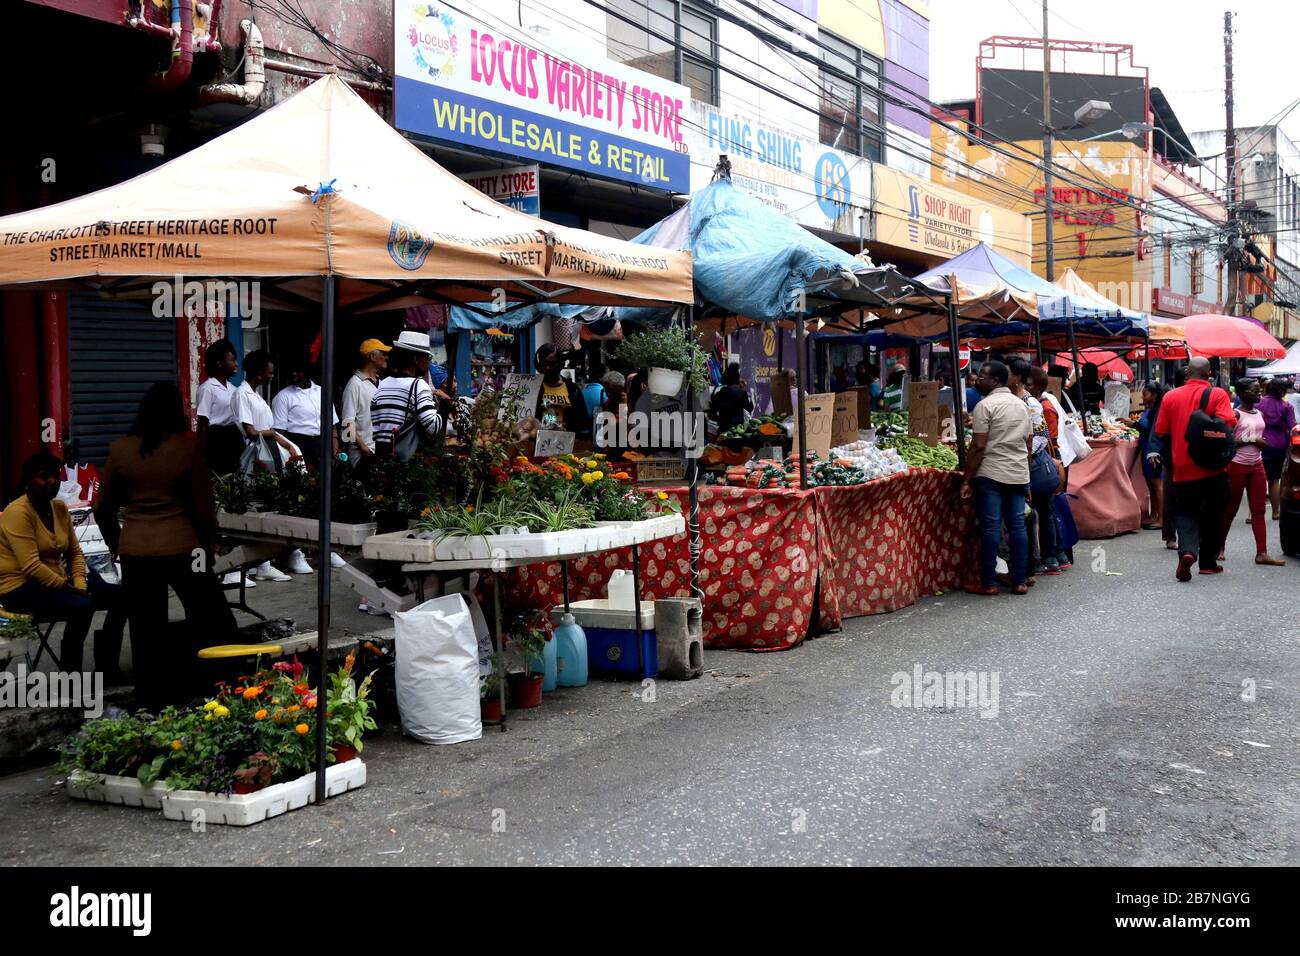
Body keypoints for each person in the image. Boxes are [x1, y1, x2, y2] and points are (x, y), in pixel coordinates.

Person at [95, 383, 238, 708]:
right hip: (183, 547)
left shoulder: (121, 450)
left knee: (146, 628)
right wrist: (209, 545)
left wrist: (116, 543)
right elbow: (202, 507)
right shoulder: (186, 450)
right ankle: (214, 686)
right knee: (210, 618)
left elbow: (103, 507)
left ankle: (152, 700)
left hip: (136, 550)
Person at [0, 452, 127, 678]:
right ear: (29, 481)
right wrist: (71, 589)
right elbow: (31, 566)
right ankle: (71, 673)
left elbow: (75, 553)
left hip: (60, 583)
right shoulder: (17, 512)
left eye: (55, 476)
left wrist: (79, 582)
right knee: (81, 607)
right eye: (44, 477)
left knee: (123, 597)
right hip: (19, 587)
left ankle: (107, 664)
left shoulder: (58, 508)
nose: (52, 482)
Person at [1150, 356, 1236, 581]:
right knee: (1213, 514)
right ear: (1209, 374)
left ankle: (1187, 552)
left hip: (1183, 468)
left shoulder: (1170, 396)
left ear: (1188, 372)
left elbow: (1161, 431)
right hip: (1214, 468)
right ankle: (1208, 563)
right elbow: (1227, 423)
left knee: (1186, 513)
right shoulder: (1218, 394)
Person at [961, 361, 1033, 595]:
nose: (978, 380)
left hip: (991, 473)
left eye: (982, 376)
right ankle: (1020, 580)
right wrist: (1027, 474)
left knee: (990, 527)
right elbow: (1028, 443)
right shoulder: (1021, 405)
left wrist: (967, 478)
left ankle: (989, 583)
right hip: (1017, 472)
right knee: (1016, 525)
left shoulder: (985, 406)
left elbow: (978, 446)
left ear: (996, 381)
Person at [233, 351, 298, 583]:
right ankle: (258, 564)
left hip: (267, 452)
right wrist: (274, 434)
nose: (272, 377)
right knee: (258, 507)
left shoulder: (256, 396)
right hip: (256, 455)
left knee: (267, 505)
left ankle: (263, 563)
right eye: (269, 373)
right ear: (260, 374)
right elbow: (251, 432)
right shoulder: (242, 395)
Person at [1220, 378, 1286, 566]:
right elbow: (1227, 441)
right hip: (1237, 465)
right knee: (1230, 509)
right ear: (1242, 394)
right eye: (1256, 391)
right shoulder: (1235, 414)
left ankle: (1262, 553)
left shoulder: (1259, 412)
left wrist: (1261, 442)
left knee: (1258, 510)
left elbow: (1258, 434)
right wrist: (1251, 441)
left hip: (1257, 465)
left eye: (1260, 390)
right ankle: (1219, 547)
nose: (1260, 394)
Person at [1010, 359, 1060, 576]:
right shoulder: (1015, 401)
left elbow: (1041, 437)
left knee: (1037, 512)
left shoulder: (1032, 404)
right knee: (1040, 511)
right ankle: (1050, 556)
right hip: (1029, 464)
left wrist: (1022, 453)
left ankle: (1046, 558)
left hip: (1035, 467)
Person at [371, 330, 445, 457]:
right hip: (404, 463)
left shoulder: (382, 384)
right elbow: (433, 427)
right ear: (416, 359)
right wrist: (444, 406)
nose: (429, 363)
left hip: (381, 458)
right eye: (428, 358)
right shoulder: (418, 385)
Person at [272, 353, 339, 466]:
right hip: (299, 448)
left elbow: (333, 428)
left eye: (298, 370)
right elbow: (279, 434)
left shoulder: (323, 392)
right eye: (291, 370)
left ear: (307, 371)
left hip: (324, 447)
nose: (294, 374)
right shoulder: (283, 396)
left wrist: (336, 453)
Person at [195, 339, 244, 477]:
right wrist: (200, 454)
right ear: (220, 364)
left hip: (233, 438)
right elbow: (203, 423)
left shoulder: (234, 389)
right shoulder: (208, 388)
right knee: (218, 481)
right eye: (232, 360)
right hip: (216, 441)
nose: (236, 364)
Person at [339, 338, 391, 460]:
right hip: (363, 455)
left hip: (381, 452)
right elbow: (346, 425)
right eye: (383, 354)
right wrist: (363, 448)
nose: (387, 357)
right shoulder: (354, 384)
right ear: (372, 356)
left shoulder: (382, 383)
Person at [1257, 377, 1297, 521]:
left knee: (1257, 480)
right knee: (1274, 480)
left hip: (1259, 443)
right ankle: (1275, 512)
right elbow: (1292, 427)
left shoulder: (1258, 404)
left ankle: (1252, 513)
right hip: (1279, 446)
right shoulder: (1286, 407)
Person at [1134, 381, 1169, 535]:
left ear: (1154, 395)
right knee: (1150, 483)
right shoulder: (1150, 409)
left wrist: (1133, 424)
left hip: (1153, 449)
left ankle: (1161, 518)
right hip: (1146, 447)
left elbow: (1151, 430)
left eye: (1145, 394)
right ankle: (1154, 515)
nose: (1143, 397)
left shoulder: (1157, 410)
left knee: (1157, 483)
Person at [535, 343, 591, 435]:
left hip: (566, 441)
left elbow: (582, 422)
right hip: (541, 440)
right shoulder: (536, 388)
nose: (547, 368)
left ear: (560, 363)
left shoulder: (573, 389)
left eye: (551, 363)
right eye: (543, 364)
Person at [709, 362, 753, 434]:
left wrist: (721, 420)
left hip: (723, 432)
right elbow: (750, 408)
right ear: (737, 378)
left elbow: (712, 415)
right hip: (738, 432)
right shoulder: (742, 393)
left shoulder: (718, 395)